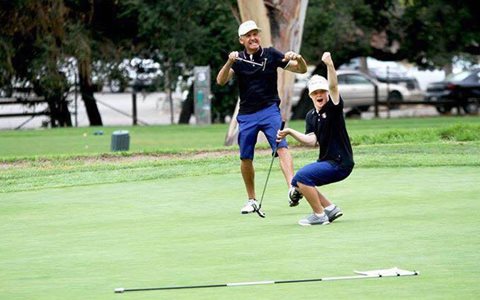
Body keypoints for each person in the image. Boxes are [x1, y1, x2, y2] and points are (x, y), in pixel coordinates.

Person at [216, 20, 307, 214]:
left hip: (269, 110)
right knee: (245, 157)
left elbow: (301, 70)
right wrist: (230, 61)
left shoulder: (271, 54)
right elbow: (221, 81)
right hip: (247, 115)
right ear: (241, 40)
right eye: (248, 35)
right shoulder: (239, 60)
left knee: (281, 146)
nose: (253, 38)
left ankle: (292, 187)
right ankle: (252, 200)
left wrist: (298, 58)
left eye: (255, 34)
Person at [276, 52, 354, 226]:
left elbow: (334, 87)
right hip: (328, 161)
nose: (319, 95)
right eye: (315, 92)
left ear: (326, 93)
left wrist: (330, 65)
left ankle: (319, 215)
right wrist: (289, 132)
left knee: (303, 177)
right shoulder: (311, 116)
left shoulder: (333, 107)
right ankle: (330, 209)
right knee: (299, 180)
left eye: (322, 92)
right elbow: (312, 141)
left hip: (341, 163)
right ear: (310, 95)